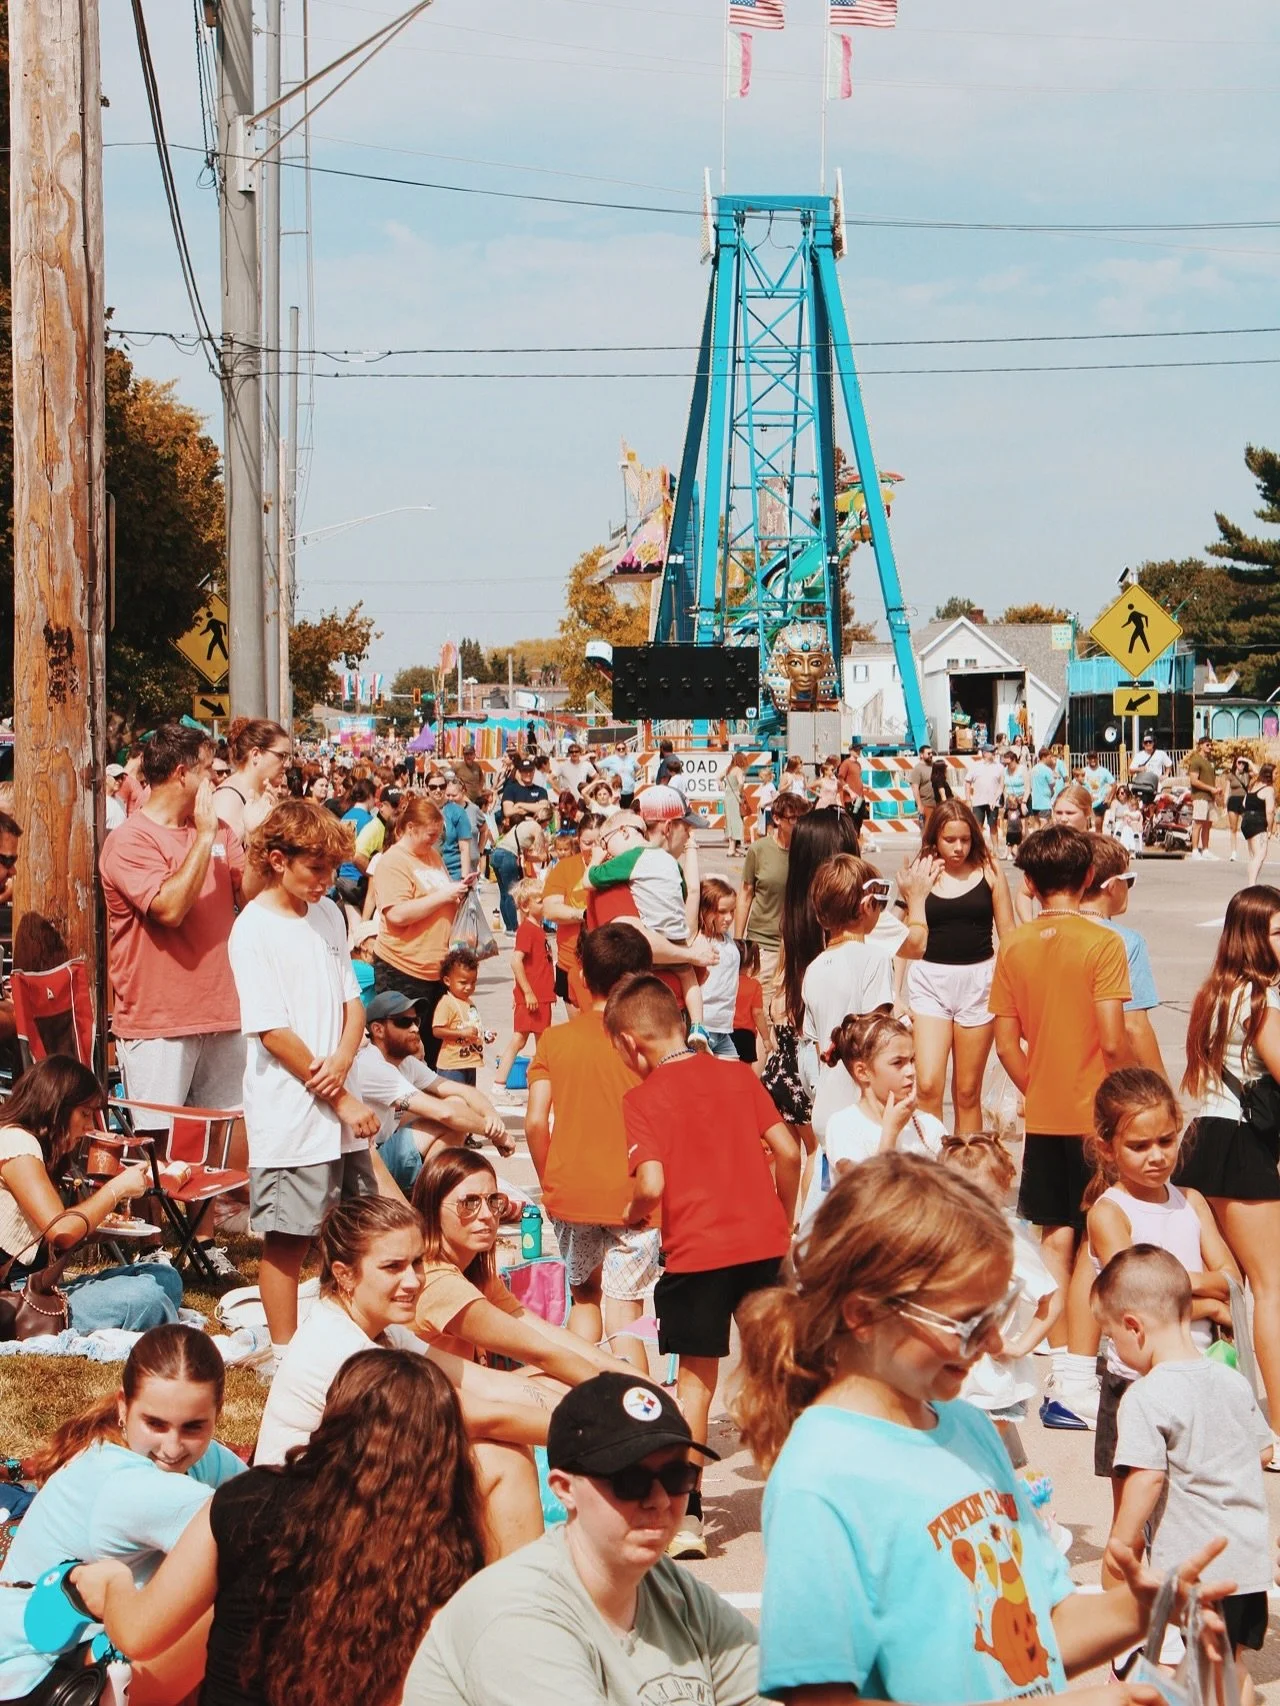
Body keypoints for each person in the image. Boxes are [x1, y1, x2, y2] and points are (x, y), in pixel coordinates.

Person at [733, 1152, 1233, 1705]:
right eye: (967, 1323)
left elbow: (1035, 1636)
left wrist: (1147, 1608)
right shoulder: (820, 1478)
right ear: (863, 1313)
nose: (994, 1345)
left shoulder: (969, 1428)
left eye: (996, 1317)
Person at [73, 1351, 486, 1706]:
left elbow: (139, 1634)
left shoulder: (248, 1501)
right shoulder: (450, 1549)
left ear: (334, 1416)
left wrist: (114, 1583)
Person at [403, 1372, 763, 1706]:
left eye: (676, 1476)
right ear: (564, 1489)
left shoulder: (670, 1590)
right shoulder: (517, 1616)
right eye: (630, 1481)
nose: (659, 1500)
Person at [605, 974, 800, 1559]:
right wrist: (783, 1220)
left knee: (695, 1386)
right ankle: (801, 1500)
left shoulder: (641, 1099)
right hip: (764, 1243)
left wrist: (635, 1210)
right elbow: (789, 1150)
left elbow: (653, 1182)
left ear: (631, 1045)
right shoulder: (739, 1074)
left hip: (696, 1253)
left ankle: (689, 1519)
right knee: (779, 1377)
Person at [253, 1195, 550, 1558]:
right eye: (393, 1267)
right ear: (345, 1274)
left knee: (537, 1395)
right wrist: (600, 1430)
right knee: (504, 1462)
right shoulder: (344, 1348)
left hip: (348, 1496)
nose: (413, 1281)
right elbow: (485, 1417)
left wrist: (600, 1401)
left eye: (417, 1263)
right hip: (302, 1533)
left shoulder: (378, 1327)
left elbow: (488, 1383)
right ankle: (518, 1608)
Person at [0, 1324, 242, 1705]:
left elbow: (264, 1496)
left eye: (193, 1427)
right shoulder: (125, 1487)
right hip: (43, 1680)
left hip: (78, 1655)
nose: (173, 1447)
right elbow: (271, 1531)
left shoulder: (188, 1459)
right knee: (244, 1591)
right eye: (155, 1424)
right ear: (123, 1406)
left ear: (217, 1413)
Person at [990, 825, 1132, 1431]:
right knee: (1101, 1233)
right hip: (1097, 1113)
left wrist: (1036, 1086)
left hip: (1046, 1112)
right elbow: (1113, 1036)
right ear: (1087, 880)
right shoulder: (1103, 944)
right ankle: (1087, 1355)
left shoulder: (1016, 947)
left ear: (1028, 883)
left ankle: (1055, 1343)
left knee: (1055, 1231)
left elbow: (1004, 1041)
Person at [228, 799, 382, 1354]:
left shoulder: (329, 913)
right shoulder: (253, 931)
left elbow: (351, 998)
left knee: (352, 1233)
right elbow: (273, 1032)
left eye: (333, 870)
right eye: (315, 869)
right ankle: (286, 1351)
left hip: (339, 1095)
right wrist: (339, 1096)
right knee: (290, 1238)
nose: (326, 881)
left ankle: (340, 1333)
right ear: (276, 859)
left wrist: (344, 1057)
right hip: (292, 1114)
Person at [1095, 1246, 1271, 1689]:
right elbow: (1263, 1453)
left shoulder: (1145, 1396)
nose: (1114, 1347)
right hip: (1247, 1560)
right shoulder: (1231, 1380)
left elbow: (1148, 1476)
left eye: (1111, 1336)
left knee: (1207, 1670)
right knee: (1227, 1664)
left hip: (1199, 1567)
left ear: (1134, 1326)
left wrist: (1122, 1543)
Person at [1085, 1070, 1237, 1545]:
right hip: (1135, 1383)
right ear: (1107, 1147)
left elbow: (1230, 1278)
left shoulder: (1191, 1200)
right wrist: (1209, 1308)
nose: (1156, 1156)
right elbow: (1140, 1300)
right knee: (1131, 1525)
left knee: (1198, 1519)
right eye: (1138, 1145)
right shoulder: (1109, 1214)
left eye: (1165, 1141)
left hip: (1200, 1375)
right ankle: (1125, 1610)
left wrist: (1205, 1292)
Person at [99, 724, 255, 1165]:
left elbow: (253, 896)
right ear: (183, 774)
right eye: (210, 770)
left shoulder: (221, 829)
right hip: (159, 1018)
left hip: (222, 1010)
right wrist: (203, 838)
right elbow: (168, 909)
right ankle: (158, 1234)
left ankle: (204, 1236)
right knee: (160, 1148)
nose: (218, 781)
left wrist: (264, 843)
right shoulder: (129, 840)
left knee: (220, 1138)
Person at [526, 924, 660, 1373]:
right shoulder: (648, 1044)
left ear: (581, 976)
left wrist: (549, 1183)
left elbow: (534, 1121)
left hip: (571, 1192)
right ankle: (642, 1412)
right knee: (626, 1314)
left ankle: (569, 1394)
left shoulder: (555, 1040)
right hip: (634, 1194)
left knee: (584, 1297)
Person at [1179, 884, 1280, 1445]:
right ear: (1253, 938)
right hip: (1245, 1147)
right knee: (1270, 1289)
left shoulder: (1216, 993)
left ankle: (1214, 1408)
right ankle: (1277, 1428)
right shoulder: (1264, 999)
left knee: (1228, 1287)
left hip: (1205, 1138)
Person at [0, 1056, 183, 1331]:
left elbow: (62, 1231)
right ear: (55, 1108)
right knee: (149, 1297)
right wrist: (116, 1188)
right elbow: (62, 1230)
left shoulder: (40, 1149)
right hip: (19, 1295)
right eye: (84, 1114)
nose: (89, 1127)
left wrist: (115, 1226)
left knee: (165, 1277)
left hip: (44, 1284)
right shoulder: (16, 1142)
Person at [800, 853, 931, 1141]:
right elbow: (878, 1039)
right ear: (866, 905)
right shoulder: (875, 958)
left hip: (826, 1108)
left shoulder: (814, 969)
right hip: (863, 1111)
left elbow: (811, 1049)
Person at [941, 1133, 1062, 1445]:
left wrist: (1021, 1346)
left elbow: (1052, 1298)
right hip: (940, 1379)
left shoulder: (1006, 1240)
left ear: (1003, 1189)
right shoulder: (936, 1235)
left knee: (987, 1470)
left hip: (991, 1385)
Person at [908, 800, 1014, 1133]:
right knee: (927, 1086)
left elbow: (1008, 934)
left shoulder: (990, 869)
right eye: (949, 839)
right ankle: (930, 1173)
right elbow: (905, 937)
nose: (958, 847)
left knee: (967, 1092)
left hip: (979, 984)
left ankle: (966, 1175)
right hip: (929, 983)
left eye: (965, 840)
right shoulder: (921, 871)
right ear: (934, 840)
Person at [799, 1012, 947, 1232]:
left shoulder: (928, 1126)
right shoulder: (844, 1126)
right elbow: (867, 1199)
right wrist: (890, 1133)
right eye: (898, 1063)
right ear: (863, 1072)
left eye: (912, 1060)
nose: (911, 1072)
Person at [586, 793, 710, 1050]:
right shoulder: (618, 881)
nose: (689, 838)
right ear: (668, 827)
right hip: (646, 1019)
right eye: (686, 829)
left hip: (662, 1012)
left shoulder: (654, 870)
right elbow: (636, 944)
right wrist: (691, 955)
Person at [369, 795, 478, 1066]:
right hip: (403, 968)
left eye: (438, 835)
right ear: (410, 828)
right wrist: (444, 896)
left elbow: (439, 894)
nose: (435, 841)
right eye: (430, 834)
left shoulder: (431, 856)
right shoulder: (393, 862)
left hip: (435, 969)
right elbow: (397, 914)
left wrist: (459, 891)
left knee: (430, 1049)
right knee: (402, 1051)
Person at [1078, 835, 1165, 1076]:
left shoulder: (1047, 933)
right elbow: (1134, 1026)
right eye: (1129, 880)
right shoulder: (1127, 942)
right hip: (1105, 1078)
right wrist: (1161, 1087)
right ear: (1113, 885)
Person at [733, 789, 808, 1000]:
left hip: (795, 947)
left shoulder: (807, 851)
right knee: (761, 1013)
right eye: (793, 818)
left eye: (802, 818)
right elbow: (746, 895)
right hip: (763, 946)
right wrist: (740, 942)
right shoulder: (759, 850)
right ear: (776, 819)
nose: (799, 824)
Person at [493, 878, 555, 1088]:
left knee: (542, 1042)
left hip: (541, 997)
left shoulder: (538, 929)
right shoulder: (527, 931)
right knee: (520, 1039)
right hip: (534, 997)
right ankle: (501, 1083)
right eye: (540, 901)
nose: (544, 904)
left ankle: (537, 1081)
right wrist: (526, 992)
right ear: (526, 906)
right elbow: (516, 961)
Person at [540, 818, 596, 1010]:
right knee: (579, 1033)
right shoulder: (566, 867)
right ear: (578, 840)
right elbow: (550, 909)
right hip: (570, 961)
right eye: (587, 843)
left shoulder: (615, 866)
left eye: (598, 842)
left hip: (607, 963)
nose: (593, 849)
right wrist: (584, 914)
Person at [211, 717, 292, 839]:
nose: (287, 764)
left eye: (288, 757)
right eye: (282, 756)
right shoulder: (227, 799)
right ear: (255, 755)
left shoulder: (264, 795)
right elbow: (222, 855)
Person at [695, 877, 741, 1061]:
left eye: (732, 911)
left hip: (723, 1029)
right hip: (703, 1028)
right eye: (722, 911)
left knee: (733, 1081)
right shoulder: (700, 940)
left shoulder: (726, 938)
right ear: (705, 911)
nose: (729, 918)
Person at [433, 947, 486, 1086]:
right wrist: (461, 1033)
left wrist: (484, 1035)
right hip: (452, 1066)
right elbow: (437, 1030)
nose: (469, 987)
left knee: (468, 1101)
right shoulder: (447, 1003)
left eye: (473, 982)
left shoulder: (468, 1002)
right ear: (447, 980)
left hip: (469, 1062)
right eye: (463, 983)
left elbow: (471, 1026)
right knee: (455, 1103)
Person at [489, 818, 546, 935]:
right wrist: (546, 855)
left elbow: (527, 855)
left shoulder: (521, 826)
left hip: (496, 853)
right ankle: (515, 928)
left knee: (504, 893)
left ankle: (509, 927)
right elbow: (540, 853)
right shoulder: (537, 828)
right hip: (508, 856)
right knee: (511, 893)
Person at [732, 940, 767, 1067]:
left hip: (726, 1031)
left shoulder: (727, 982)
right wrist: (766, 1038)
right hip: (746, 1036)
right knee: (744, 1075)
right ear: (752, 962)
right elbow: (757, 1013)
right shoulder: (754, 985)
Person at [1186, 733, 1220, 860]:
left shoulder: (1210, 762)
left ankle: (1205, 849)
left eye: (1211, 745)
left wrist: (1215, 790)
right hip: (1200, 796)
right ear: (1200, 746)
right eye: (1207, 745)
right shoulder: (1196, 761)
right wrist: (1210, 788)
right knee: (1198, 823)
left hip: (1210, 796)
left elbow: (1211, 779)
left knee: (1208, 824)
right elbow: (1194, 780)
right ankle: (1195, 849)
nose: (1210, 747)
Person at [1241, 762, 1275, 884]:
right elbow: (1270, 811)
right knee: (1260, 855)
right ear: (1268, 775)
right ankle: (1251, 884)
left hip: (1246, 821)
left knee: (1253, 856)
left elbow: (1244, 803)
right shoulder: (1268, 790)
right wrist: (1270, 830)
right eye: (1275, 773)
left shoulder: (1253, 786)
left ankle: (1251, 882)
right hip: (1258, 822)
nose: (1277, 775)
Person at [965, 745, 1005, 845]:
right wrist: (968, 799)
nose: (994, 753)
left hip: (993, 802)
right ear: (984, 753)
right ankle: (979, 849)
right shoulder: (976, 766)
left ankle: (995, 849)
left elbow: (1001, 786)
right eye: (991, 751)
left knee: (993, 826)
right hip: (978, 801)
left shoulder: (999, 767)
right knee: (977, 826)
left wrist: (995, 799)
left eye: (994, 751)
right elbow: (967, 782)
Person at [500, 754, 550, 829]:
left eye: (530, 771)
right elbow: (508, 812)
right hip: (515, 830)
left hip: (535, 830)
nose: (528, 774)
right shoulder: (510, 789)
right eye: (525, 771)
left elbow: (544, 807)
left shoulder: (541, 791)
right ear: (519, 772)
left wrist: (519, 804)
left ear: (534, 772)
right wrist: (532, 809)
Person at [1225, 754, 1253, 863]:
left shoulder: (1248, 774)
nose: (1241, 765)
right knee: (1233, 828)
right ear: (1235, 763)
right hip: (1233, 801)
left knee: (1248, 826)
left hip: (1245, 800)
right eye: (1239, 762)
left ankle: (1251, 851)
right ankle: (1233, 852)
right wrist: (1224, 803)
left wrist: (1248, 761)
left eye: (1243, 763)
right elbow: (1227, 790)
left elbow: (1257, 772)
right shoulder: (1230, 775)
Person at [1000, 748, 1026, 859]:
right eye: (1005, 763)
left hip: (1021, 799)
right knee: (1009, 827)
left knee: (1022, 827)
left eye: (1008, 763)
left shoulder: (1022, 769)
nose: (1007, 765)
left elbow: (1028, 786)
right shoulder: (1005, 771)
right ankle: (1009, 850)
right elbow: (1001, 786)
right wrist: (996, 799)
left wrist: (1024, 801)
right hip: (1010, 801)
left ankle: (1021, 850)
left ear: (1014, 760)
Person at [721, 751, 749, 856]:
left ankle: (732, 848)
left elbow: (717, 778)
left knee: (730, 821)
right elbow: (741, 783)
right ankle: (731, 849)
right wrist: (740, 792)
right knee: (736, 821)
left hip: (728, 796)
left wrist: (724, 788)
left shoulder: (728, 769)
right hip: (735, 797)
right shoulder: (738, 770)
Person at [907, 742, 936, 833]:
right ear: (921, 755)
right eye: (928, 753)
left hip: (936, 804)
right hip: (926, 804)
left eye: (931, 753)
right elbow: (915, 788)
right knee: (927, 831)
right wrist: (920, 805)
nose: (931, 755)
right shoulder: (917, 769)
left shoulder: (934, 766)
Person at [1027, 746, 1060, 824]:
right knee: (1044, 824)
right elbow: (1052, 784)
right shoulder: (1047, 770)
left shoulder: (1033, 769)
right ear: (1044, 757)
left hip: (1035, 802)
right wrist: (1051, 791)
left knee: (1036, 823)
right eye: (1049, 757)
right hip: (1044, 802)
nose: (1051, 759)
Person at [103, 762, 127, 832]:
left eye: (122, 778)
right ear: (106, 777)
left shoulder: (121, 801)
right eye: (116, 777)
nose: (120, 781)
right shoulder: (100, 802)